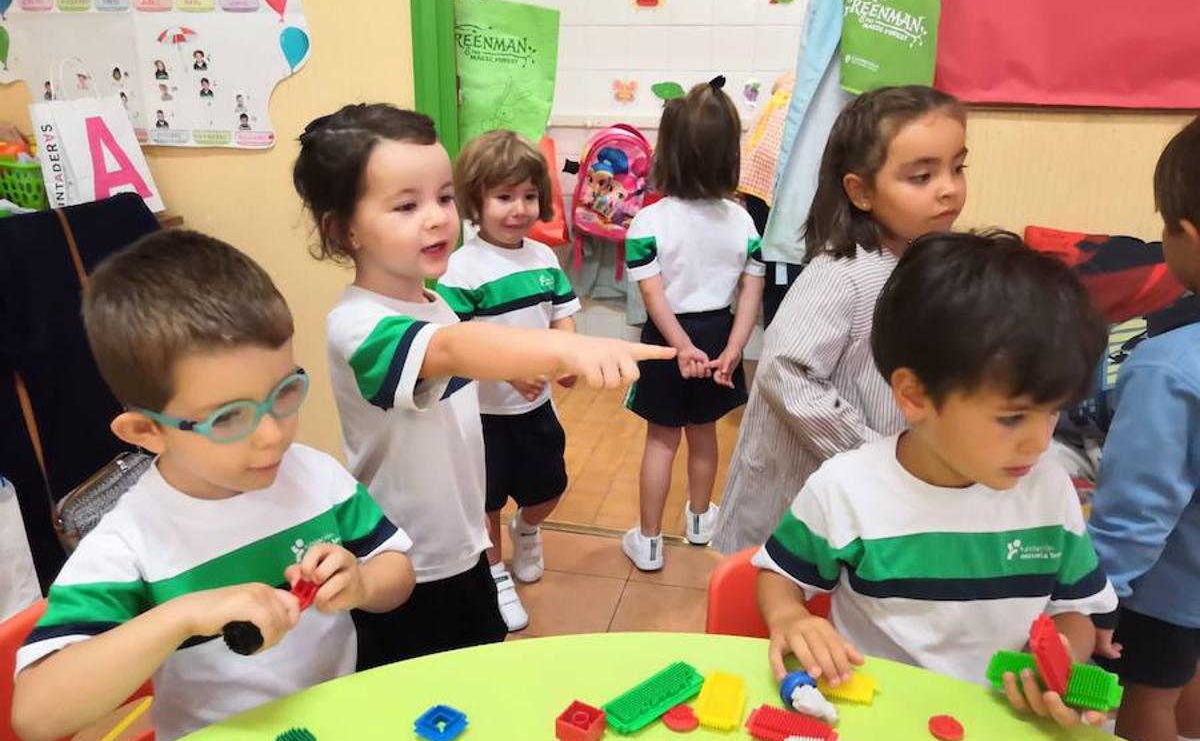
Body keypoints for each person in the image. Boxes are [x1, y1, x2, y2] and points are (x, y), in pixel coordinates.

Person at [292, 103, 672, 668]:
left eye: (443, 198)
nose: (437, 218)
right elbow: (453, 349)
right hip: (405, 562)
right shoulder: (359, 326)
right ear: (342, 229)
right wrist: (569, 347)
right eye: (405, 205)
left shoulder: (437, 300)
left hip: (461, 547)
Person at [11, 231, 416, 741]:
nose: (272, 434)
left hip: (338, 731)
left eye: (284, 391)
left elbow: (398, 570)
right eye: (228, 419)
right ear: (147, 432)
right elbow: (36, 714)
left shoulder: (313, 475)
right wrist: (179, 616)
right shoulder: (131, 541)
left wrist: (360, 583)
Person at [756, 230, 1117, 728]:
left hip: (1003, 726)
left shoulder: (1049, 490)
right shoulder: (846, 489)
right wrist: (790, 618)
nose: (1038, 442)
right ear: (916, 396)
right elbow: (779, 575)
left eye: (1052, 412)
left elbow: (1073, 612)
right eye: (1012, 418)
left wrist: (1061, 655)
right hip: (879, 721)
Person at [712, 86, 968, 555]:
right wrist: (873, 455)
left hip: (872, 493)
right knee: (782, 601)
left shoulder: (922, 263)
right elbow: (784, 372)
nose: (949, 187)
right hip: (801, 495)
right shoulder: (841, 273)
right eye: (921, 176)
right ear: (861, 191)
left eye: (957, 167)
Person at [1088, 117, 1200, 741]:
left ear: (1185, 237)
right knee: (1187, 670)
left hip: (1161, 588)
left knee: (1145, 696)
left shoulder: (1167, 367)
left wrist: (1101, 594)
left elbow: (1135, 509)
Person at [620, 76, 765, 571]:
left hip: (668, 342)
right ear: (729, 154)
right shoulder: (743, 221)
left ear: (670, 151)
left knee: (662, 439)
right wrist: (734, 348)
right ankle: (701, 521)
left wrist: (681, 347)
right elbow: (751, 290)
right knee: (705, 433)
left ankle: (650, 541)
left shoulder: (650, 221)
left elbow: (652, 296)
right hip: (719, 336)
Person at [437, 130, 580, 632]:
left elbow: (562, 314)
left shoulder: (543, 260)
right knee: (487, 501)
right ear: (475, 201)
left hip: (536, 409)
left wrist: (566, 354)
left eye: (528, 196)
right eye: (503, 197)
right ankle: (495, 573)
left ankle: (530, 528)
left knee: (549, 486)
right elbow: (454, 342)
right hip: (481, 415)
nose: (518, 208)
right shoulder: (461, 269)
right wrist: (507, 369)